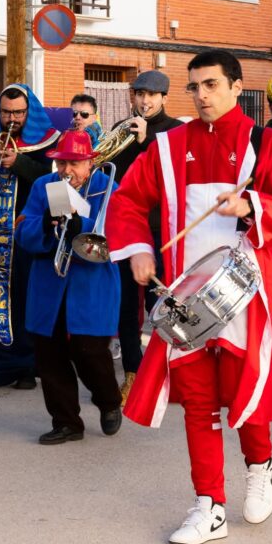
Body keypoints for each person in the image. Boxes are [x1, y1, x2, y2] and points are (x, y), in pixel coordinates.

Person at [106, 49, 272, 544]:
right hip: (187, 294)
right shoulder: (168, 145)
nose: (201, 96)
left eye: (212, 85)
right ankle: (209, 504)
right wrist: (137, 250)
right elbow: (128, 200)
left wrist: (251, 204)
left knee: (246, 395)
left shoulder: (270, 144)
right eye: (194, 87)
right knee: (198, 402)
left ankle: (260, 466)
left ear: (238, 87)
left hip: (249, 296)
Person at [15, 130, 122, 443]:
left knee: (91, 353)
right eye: (62, 163)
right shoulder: (43, 186)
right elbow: (22, 232)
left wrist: (81, 227)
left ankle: (108, 399)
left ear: (90, 161)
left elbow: (116, 236)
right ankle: (67, 422)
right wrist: (46, 224)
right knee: (50, 357)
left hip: (91, 284)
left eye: (74, 163)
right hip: (49, 283)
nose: (66, 171)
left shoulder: (107, 187)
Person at [0, 84, 59, 392]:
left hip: (23, 240)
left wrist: (18, 163)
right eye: (6, 112)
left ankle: (26, 365)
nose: (11, 119)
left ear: (28, 112)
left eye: (18, 113)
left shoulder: (47, 143)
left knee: (22, 299)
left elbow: (54, 182)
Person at [107, 70, 183, 403]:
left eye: (152, 95)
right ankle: (133, 373)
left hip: (165, 231)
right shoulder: (122, 129)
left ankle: (166, 372)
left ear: (165, 98)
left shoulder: (177, 132)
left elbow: (176, 174)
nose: (145, 101)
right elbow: (115, 177)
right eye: (139, 94)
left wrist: (147, 142)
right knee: (126, 306)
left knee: (162, 303)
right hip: (129, 230)